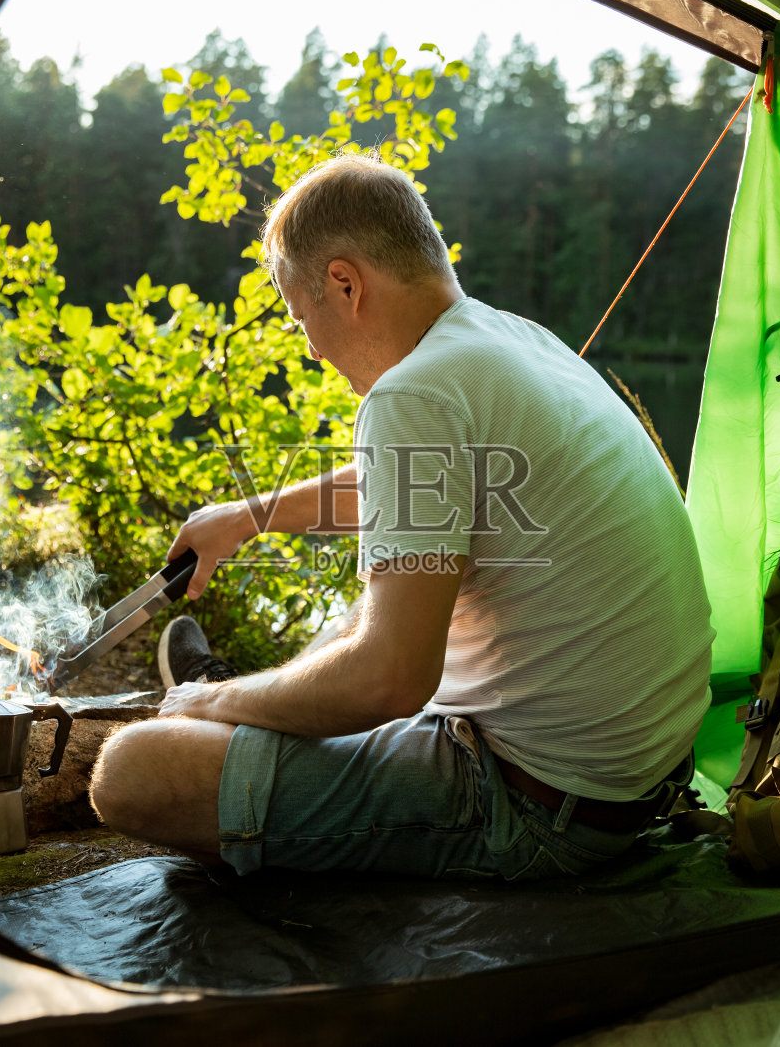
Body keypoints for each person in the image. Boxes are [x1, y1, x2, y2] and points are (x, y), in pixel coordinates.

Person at [89, 152, 714, 880]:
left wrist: (205, 701)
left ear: (345, 283)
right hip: (637, 781)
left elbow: (391, 680)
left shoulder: (413, 393)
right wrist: (251, 514)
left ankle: (225, 705)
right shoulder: (508, 339)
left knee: (132, 768)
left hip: (543, 811)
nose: (313, 349)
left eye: (301, 320)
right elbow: (412, 486)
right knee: (368, 614)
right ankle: (243, 715)